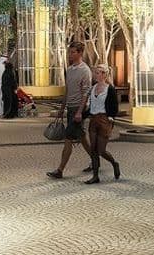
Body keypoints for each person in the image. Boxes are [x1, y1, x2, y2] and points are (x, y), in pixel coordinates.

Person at [47, 41, 92, 179]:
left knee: (68, 138)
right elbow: (68, 90)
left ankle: (60, 170)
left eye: (73, 52)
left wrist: (79, 112)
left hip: (79, 108)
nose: (70, 55)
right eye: (70, 52)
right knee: (82, 137)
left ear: (80, 53)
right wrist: (62, 107)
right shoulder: (71, 69)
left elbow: (86, 93)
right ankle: (96, 160)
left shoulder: (85, 71)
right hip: (70, 107)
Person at [84, 65, 120, 185]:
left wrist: (111, 118)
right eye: (95, 73)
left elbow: (114, 106)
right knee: (93, 150)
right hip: (93, 120)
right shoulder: (93, 88)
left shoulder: (109, 89)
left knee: (101, 150)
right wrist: (82, 115)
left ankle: (114, 163)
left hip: (104, 120)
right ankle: (95, 175)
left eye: (98, 73)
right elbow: (90, 106)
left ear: (104, 74)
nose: (96, 75)